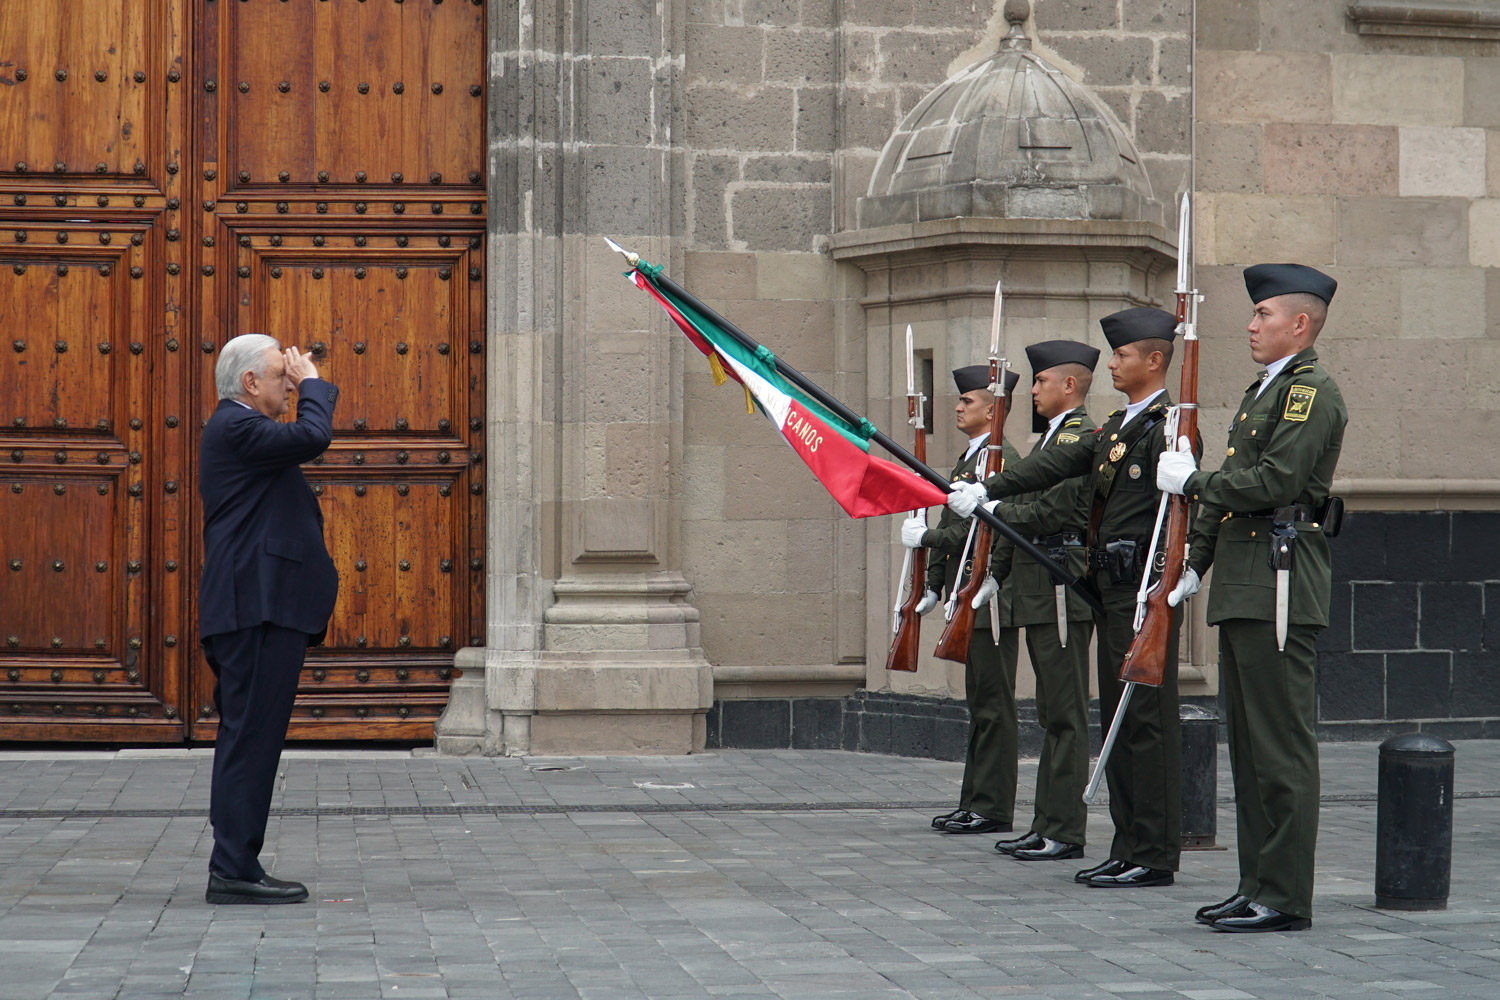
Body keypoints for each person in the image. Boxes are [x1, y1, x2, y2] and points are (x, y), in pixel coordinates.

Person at [948, 308, 1197, 886]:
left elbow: (1183, 507)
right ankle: (1130, 843)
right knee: (1118, 718)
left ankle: (1153, 852)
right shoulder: (1117, 427)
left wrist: (1192, 566)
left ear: (1154, 361)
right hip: (1109, 587)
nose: (1111, 363)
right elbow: (1052, 465)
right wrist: (988, 488)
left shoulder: (1167, 424)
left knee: (1144, 725)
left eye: (1122, 355)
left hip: (1142, 588)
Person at [1157, 264, 1345, 933]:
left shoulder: (1310, 393)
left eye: (1264, 313)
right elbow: (1238, 480)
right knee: (1247, 745)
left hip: (1280, 581)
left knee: (1281, 748)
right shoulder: (1262, 391)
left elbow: (1275, 480)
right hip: (1243, 581)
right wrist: (1193, 561)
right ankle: (1255, 882)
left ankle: (1286, 894)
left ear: (1300, 323)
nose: (1251, 324)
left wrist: (1194, 483)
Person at [198, 334, 340, 904]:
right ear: (250, 383)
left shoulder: (242, 430)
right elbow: (314, 436)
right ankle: (232, 868)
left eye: (291, 377)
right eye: (280, 375)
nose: (289, 383)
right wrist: (313, 383)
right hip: (253, 607)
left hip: (260, 606)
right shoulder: (234, 423)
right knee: (251, 739)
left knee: (252, 738)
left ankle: (237, 863)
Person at [985, 341, 1098, 862]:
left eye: (1040, 381)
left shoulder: (1080, 436)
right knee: (1049, 712)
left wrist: (999, 510)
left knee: (1067, 713)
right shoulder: (1049, 439)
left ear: (1068, 386)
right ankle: (1046, 821)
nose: (1031, 390)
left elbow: (1059, 505)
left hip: (1059, 586)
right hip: (1036, 585)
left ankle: (1066, 829)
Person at [902, 365, 1021, 835]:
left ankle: (992, 806)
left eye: (967, 401)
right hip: (964, 592)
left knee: (994, 703)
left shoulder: (1002, 461)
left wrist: (932, 539)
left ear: (993, 410)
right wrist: (933, 583)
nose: (956, 407)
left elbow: (996, 532)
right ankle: (974, 799)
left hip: (987, 596)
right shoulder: (969, 461)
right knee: (979, 702)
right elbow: (953, 527)